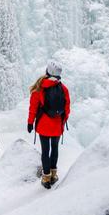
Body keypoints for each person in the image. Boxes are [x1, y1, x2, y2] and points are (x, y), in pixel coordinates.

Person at [27, 61, 70, 189]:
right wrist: (62, 121)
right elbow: (67, 109)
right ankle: (54, 175)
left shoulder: (39, 87)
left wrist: (30, 122)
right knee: (54, 149)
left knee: (45, 151)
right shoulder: (63, 88)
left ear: (47, 72)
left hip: (43, 125)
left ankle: (46, 177)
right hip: (57, 126)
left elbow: (33, 107)